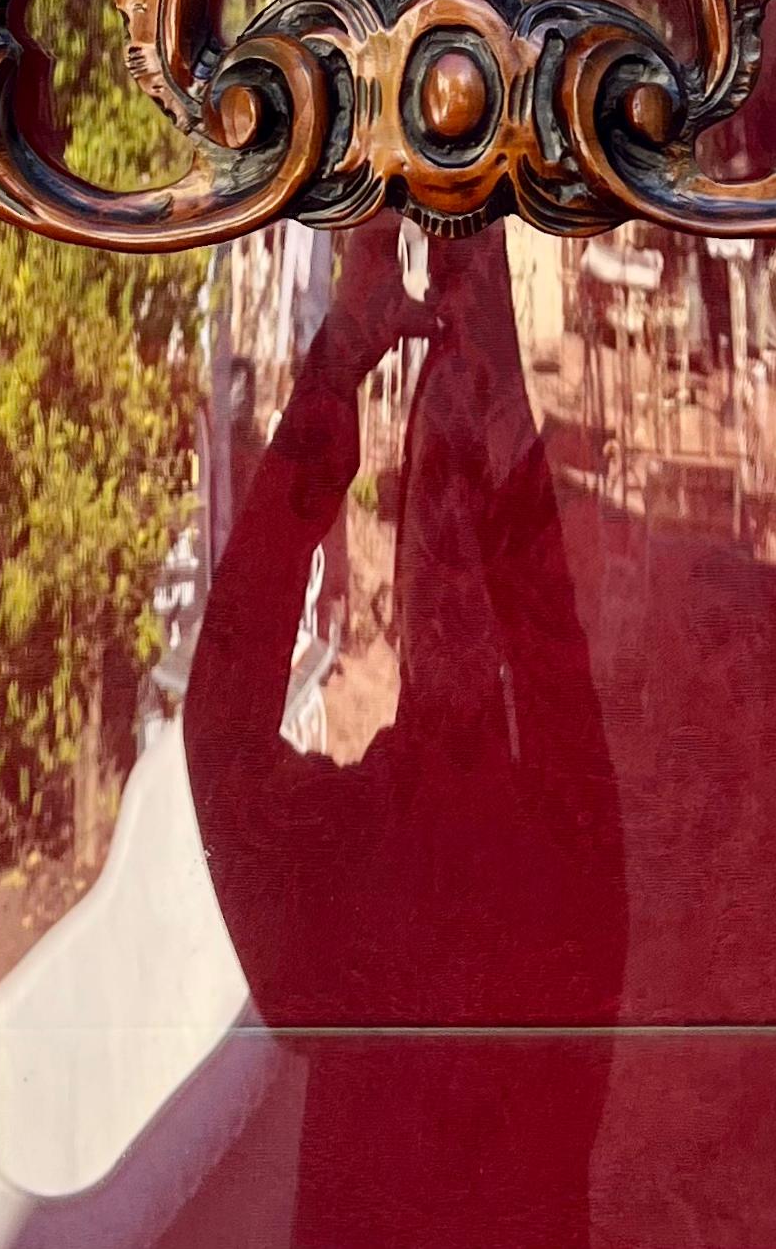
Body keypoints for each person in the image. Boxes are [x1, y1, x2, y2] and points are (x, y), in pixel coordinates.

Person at [185, 218, 626, 1249]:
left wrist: (372, 369)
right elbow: (221, 733)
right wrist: (337, 367)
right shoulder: (357, 850)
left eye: (483, 520)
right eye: (434, 504)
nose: (456, 547)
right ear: (399, 578)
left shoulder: (562, 856)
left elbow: (556, 663)